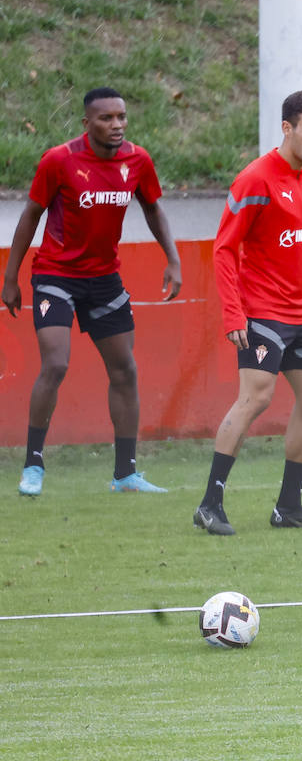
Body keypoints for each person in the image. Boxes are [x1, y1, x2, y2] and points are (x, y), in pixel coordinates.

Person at [3, 87, 181, 496]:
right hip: (56, 276)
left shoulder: (137, 160)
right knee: (56, 364)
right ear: (87, 123)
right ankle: (33, 466)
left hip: (104, 280)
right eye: (106, 118)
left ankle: (125, 474)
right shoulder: (59, 160)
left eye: (121, 117)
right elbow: (31, 214)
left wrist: (173, 258)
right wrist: (11, 277)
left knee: (125, 371)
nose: (116, 125)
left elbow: (153, 207)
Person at [193, 90, 302, 536]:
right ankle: (210, 504)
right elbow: (224, 249)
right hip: (261, 311)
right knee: (256, 398)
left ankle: (287, 506)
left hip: (301, 312)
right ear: (286, 129)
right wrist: (233, 314)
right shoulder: (255, 180)